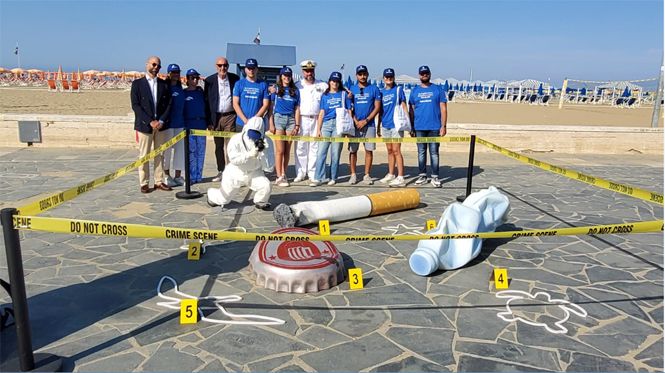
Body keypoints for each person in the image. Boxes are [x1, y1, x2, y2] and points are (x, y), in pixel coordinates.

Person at [207, 117, 273, 210]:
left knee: (266, 185)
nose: (252, 137)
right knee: (224, 199)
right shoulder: (236, 139)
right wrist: (249, 155)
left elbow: (269, 168)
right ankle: (212, 195)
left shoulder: (267, 141)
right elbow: (233, 159)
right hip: (235, 172)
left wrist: (264, 153)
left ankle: (260, 201)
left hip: (254, 172)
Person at [130, 55, 172, 193]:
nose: (156, 68)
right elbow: (136, 106)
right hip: (144, 126)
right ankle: (144, 182)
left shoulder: (163, 84)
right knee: (144, 155)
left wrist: (160, 121)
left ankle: (159, 181)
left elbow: (168, 105)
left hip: (160, 126)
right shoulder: (137, 84)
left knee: (159, 154)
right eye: (154, 65)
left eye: (158, 66)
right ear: (147, 64)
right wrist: (150, 121)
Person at [408, 65, 448, 188]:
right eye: (422, 73)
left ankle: (435, 177)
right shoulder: (414, 91)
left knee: (434, 152)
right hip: (419, 127)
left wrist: (443, 125)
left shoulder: (438, 89)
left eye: (426, 73)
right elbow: (411, 109)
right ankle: (422, 175)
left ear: (430, 74)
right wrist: (411, 126)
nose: (424, 75)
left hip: (434, 127)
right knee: (421, 152)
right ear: (419, 75)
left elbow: (443, 108)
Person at [310, 71, 351, 187]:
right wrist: (318, 129)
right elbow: (321, 112)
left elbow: (349, 111)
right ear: (329, 81)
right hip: (326, 125)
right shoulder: (325, 95)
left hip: (339, 126)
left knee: (335, 153)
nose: (335, 83)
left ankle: (333, 177)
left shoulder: (344, 94)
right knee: (321, 152)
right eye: (333, 81)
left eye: (337, 81)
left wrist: (349, 128)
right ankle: (319, 177)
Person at [204, 56, 240, 182]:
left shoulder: (235, 79)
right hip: (216, 117)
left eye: (225, 65)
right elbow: (206, 102)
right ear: (216, 66)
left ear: (228, 66)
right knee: (218, 146)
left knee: (231, 146)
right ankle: (221, 171)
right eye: (220, 65)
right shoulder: (209, 81)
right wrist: (209, 121)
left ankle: (232, 172)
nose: (222, 68)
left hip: (230, 116)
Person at [293, 59, 328, 183]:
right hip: (301, 119)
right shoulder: (297, 85)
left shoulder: (322, 85)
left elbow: (336, 90)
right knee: (300, 147)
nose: (309, 73)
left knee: (314, 147)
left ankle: (312, 172)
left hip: (316, 119)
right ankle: (300, 172)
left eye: (311, 70)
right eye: (306, 71)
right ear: (302, 71)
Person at [348, 65, 381, 185]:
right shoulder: (352, 89)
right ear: (356, 75)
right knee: (353, 150)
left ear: (367, 74)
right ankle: (353, 174)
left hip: (369, 124)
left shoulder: (374, 89)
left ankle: (367, 174)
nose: (362, 76)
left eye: (364, 74)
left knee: (369, 150)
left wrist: (366, 121)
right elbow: (349, 108)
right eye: (360, 74)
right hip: (355, 125)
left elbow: (377, 107)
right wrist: (356, 121)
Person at [268, 66, 300, 187]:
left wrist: (297, 125)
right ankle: (278, 176)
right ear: (281, 76)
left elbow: (297, 108)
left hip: (291, 120)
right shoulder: (276, 89)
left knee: (287, 150)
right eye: (284, 75)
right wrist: (271, 123)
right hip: (279, 119)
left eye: (289, 75)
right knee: (280, 150)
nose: (287, 77)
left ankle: (283, 173)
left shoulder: (295, 91)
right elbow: (270, 107)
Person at [378, 68, 407, 187]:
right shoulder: (381, 92)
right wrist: (379, 125)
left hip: (396, 125)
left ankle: (400, 176)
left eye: (391, 77)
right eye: (387, 77)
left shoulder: (398, 90)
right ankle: (391, 174)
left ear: (394, 78)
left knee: (396, 150)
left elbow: (404, 106)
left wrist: (408, 123)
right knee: (389, 150)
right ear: (384, 78)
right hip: (385, 125)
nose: (388, 79)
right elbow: (380, 110)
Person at [162, 63, 185, 187]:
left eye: (177, 72)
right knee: (166, 152)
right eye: (174, 72)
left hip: (180, 124)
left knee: (180, 152)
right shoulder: (165, 88)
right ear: (169, 74)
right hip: (168, 125)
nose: (176, 75)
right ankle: (166, 175)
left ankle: (178, 175)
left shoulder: (181, 89)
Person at [183, 69, 207, 184]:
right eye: (193, 78)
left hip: (201, 125)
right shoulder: (184, 93)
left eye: (197, 78)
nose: (195, 80)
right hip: (189, 126)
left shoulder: (201, 93)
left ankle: (199, 175)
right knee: (191, 152)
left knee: (201, 152)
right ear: (188, 79)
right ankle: (191, 176)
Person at [232, 58, 270, 131]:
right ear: (245, 69)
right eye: (249, 68)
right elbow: (235, 103)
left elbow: (265, 105)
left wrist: (254, 120)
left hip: (257, 123)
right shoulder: (239, 84)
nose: (251, 70)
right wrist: (245, 120)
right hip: (241, 123)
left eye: (253, 68)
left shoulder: (263, 85)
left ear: (257, 69)